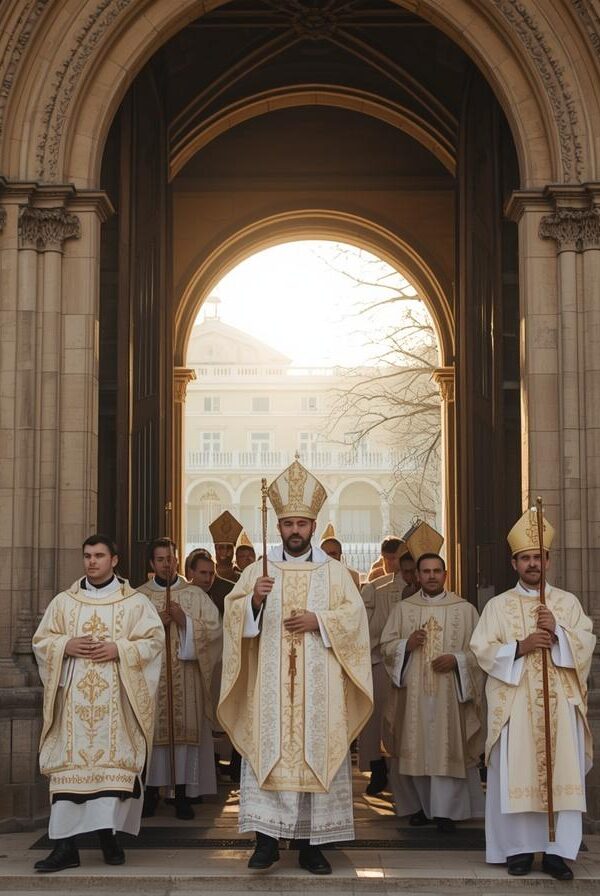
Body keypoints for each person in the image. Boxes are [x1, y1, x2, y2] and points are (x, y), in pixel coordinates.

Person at [218, 459, 373, 875]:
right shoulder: (257, 572)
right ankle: (266, 843)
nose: (295, 531)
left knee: (313, 760)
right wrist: (253, 601)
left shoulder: (336, 574)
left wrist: (318, 621)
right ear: (279, 526)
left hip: (318, 693)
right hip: (269, 691)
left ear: (313, 525)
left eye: (302, 524)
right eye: (288, 524)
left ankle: (310, 846)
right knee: (269, 755)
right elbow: (232, 622)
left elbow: (355, 622)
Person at [470, 508, 596, 880]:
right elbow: (481, 649)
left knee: (561, 778)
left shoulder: (567, 604)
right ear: (514, 563)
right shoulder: (498, 606)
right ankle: (518, 850)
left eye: (537, 557)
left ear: (548, 560)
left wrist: (559, 632)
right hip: (516, 705)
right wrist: (520, 646)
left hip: (561, 704)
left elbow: (587, 643)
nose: (532, 564)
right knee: (516, 775)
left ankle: (558, 853)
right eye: (525, 558)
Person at [32, 534, 164, 872]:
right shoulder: (65, 602)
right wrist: (66, 645)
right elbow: (42, 641)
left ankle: (108, 837)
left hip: (115, 709)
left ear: (114, 560)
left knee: (109, 780)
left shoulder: (134, 603)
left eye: (99, 556)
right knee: (69, 777)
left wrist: (119, 649)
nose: (92, 561)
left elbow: (153, 642)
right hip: (74, 711)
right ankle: (65, 848)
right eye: (87, 555)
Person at [380, 551, 485, 832]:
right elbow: (386, 647)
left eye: (436, 571)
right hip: (412, 696)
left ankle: (446, 813)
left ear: (445, 575)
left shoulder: (465, 610)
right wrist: (407, 645)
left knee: (446, 749)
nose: (431, 576)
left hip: (450, 695)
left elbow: (480, 652)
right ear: (417, 575)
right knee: (415, 748)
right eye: (425, 571)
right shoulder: (403, 610)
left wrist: (457, 660)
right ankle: (419, 808)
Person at [136, 537, 221, 820]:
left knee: (185, 738)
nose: (166, 565)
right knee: (151, 738)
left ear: (176, 560)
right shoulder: (139, 597)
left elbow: (214, 631)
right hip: (152, 681)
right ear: (151, 563)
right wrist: (156, 623)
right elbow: (128, 636)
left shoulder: (195, 595)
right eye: (160, 560)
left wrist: (185, 621)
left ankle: (183, 795)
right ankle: (150, 794)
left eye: (170, 559)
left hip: (187, 680)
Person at [186, 548, 235, 616]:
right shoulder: (180, 595)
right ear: (191, 572)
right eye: (203, 573)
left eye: (211, 574)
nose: (208, 579)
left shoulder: (227, 594)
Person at [319, 522, 361, 588]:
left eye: (333, 554)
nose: (329, 557)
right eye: (325, 554)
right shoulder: (312, 575)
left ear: (340, 555)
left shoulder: (352, 575)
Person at [209, 511, 243, 582]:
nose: (225, 551)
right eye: (221, 547)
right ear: (215, 549)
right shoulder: (207, 577)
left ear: (234, 550)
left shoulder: (242, 579)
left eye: (229, 548)